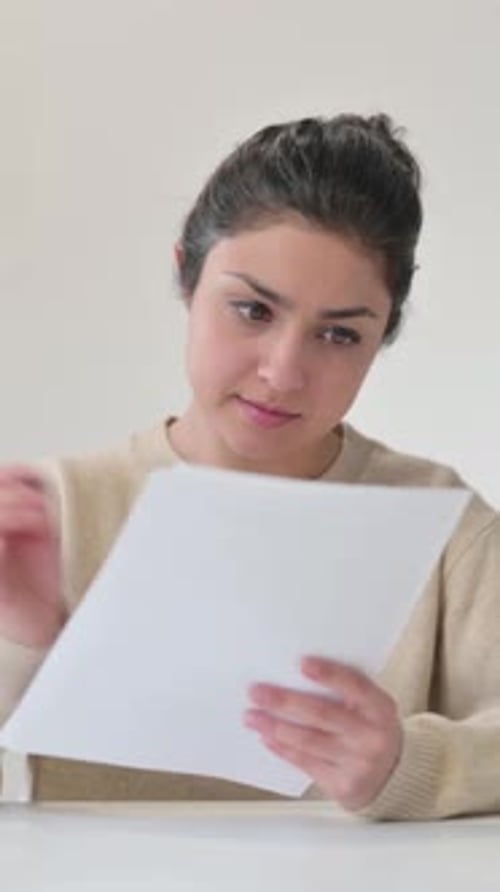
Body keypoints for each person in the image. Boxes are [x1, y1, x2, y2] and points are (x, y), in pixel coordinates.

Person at [0, 113, 498, 820]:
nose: (283, 371)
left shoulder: (444, 531)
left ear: (382, 335)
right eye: (252, 310)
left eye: (338, 334)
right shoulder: (49, 512)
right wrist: (23, 634)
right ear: (186, 275)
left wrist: (410, 766)